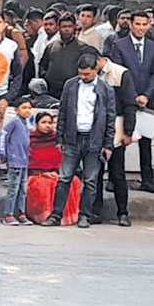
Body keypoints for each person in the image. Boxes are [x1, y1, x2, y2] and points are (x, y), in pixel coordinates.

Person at [42, 53, 116, 229]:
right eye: (81, 74)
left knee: (91, 181)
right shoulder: (71, 85)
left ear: (95, 70)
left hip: (94, 139)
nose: (84, 77)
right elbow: (63, 112)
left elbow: (110, 118)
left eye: (87, 74)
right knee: (64, 178)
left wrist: (108, 144)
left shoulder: (106, 89)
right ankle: (56, 214)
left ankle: (85, 215)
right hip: (72, 138)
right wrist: (59, 137)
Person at [110, 10, 154, 194]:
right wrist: (133, 97)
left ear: (149, 24)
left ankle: (147, 178)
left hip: (147, 99)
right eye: (137, 24)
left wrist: (146, 95)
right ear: (131, 24)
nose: (141, 28)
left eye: (144, 24)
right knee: (122, 139)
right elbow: (118, 73)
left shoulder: (153, 46)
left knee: (146, 140)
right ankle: (115, 178)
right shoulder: (118, 45)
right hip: (125, 99)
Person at [91, 52, 138, 227]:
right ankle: (95, 211)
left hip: (117, 127)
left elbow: (129, 104)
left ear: (99, 60)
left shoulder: (120, 73)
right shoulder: (88, 74)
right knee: (94, 172)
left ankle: (123, 212)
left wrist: (129, 131)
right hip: (96, 128)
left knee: (117, 172)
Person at [25, 112, 82, 225]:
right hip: (37, 174)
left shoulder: (58, 139)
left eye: (50, 123)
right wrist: (43, 174)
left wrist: (59, 173)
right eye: (44, 122)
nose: (47, 125)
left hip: (58, 173)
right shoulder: (30, 139)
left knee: (72, 181)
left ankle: (64, 217)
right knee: (43, 185)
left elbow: (66, 160)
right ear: (36, 124)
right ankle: (44, 216)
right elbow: (29, 162)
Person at [0, 97, 34, 225]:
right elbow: (2, 135)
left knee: (22, 189)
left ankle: (21, 213)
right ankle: (9, 214)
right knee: (13, 188)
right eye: (24, 108)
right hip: (15, 160)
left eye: (29, 108)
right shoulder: (14, 122)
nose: (27, 111)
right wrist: (2, 153)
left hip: (24, 160)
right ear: (16, 110)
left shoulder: (25, 123)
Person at [40, 13, 86, 99]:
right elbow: (43, 65)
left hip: (72, 91)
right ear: (58, 28)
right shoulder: (51, 46)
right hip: (51, 91)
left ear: (74, 27)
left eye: (69, 26)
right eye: (64, 27)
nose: (67, 29)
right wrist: (46, 76)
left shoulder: (82, 48)